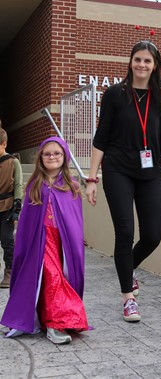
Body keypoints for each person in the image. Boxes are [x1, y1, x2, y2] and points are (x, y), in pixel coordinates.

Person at [85, 40, 161, 322]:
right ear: (130, 62)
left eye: (147, 61)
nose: (142, 65)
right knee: (125, 233)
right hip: (117, 170)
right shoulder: (115, 94)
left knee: (153, 235)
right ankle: (128, 298)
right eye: (137, 59)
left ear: (155, 66)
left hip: (150, 172)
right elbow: (101, 138)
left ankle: (129, 270)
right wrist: (92, 178)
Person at [1, 136, 88, 344]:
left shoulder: (72, 186)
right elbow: (27, 221)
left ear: (64, 156)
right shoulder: (34, 185)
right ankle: (54, 324)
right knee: (52, 277)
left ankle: (53, 317)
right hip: (41, 240)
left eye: (57, 153)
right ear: (41, 157)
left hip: (63, 243)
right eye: (47, 153)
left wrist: (76, 243)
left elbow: (75, 220)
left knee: (58, 278)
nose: (52, 157)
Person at [0, 128, 23, 288]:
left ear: (4, 144)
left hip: (7, 207)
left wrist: (16, 208)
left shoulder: (13, 161)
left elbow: (18, 184)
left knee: (7, 240)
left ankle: (10, 270)